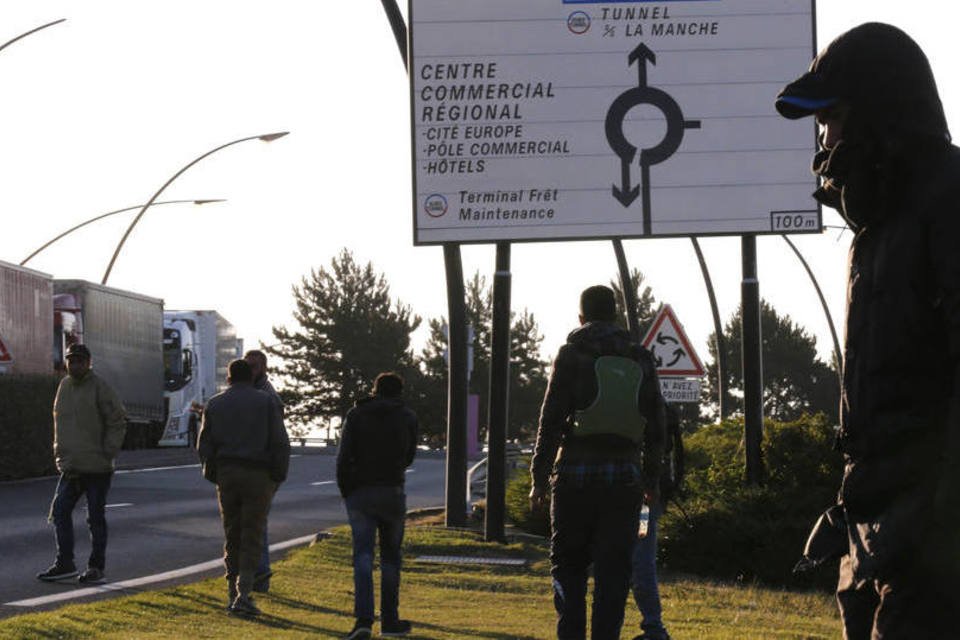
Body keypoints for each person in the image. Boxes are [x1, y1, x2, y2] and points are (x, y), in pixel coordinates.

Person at [776, 22, 960, 638]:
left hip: (932, 536)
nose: (823, 138)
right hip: (874, 525)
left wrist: (939, 517)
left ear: (878, 114)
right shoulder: (874, 229)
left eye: (832, 116)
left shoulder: (947, 200)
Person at [530, 285, 666, 640]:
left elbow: (551, 420)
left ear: (581, 317)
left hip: (573, 478)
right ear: (616, 315)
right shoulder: (640, 358)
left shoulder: (571, 354)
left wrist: (539, 478)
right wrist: (650, 481)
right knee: (614, 571)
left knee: (568, 565)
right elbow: (656, 425)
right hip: (625, 481)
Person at [197, 358, 290, 617]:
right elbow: (280, 442)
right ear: (251, 377)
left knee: (232, 532)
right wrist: (277, 476)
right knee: (252, 533)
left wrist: (214, 473)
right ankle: (244, 592)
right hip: (259, 474)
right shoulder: (267, 402)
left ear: (228, 378)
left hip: (227, 472)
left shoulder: (215, 404)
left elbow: (204, 445)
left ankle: (230, 588)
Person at [337, 372, 418, 640]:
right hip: (392, 491)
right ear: (399, 392)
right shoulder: (407, 416)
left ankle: (363, 620)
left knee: (362, 556)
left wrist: (347, 490)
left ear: (374, 389)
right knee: (391, 558)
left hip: (361, 492)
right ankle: (390, 621)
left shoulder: (357, 415)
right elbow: (409, 456)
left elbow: (344, 456)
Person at [37, 343, 127, 585]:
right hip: (71, 465)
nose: (74, 364)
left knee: (95, 517)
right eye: (71, 360)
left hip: (97, 466)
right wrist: (60, 453)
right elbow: (60, 424)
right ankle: (65, 562)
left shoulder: (100, 387)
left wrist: (107, 452)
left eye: (79, 360)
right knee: (59, 513)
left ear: (88, 362)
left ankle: (96, 567)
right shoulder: (64, 386)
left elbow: (117, 421)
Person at [629, 404, 679, 640]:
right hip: (647, 502)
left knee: (639, 562)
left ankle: (654, 627)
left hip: (642, 503)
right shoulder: (658, 411)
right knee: (640, 561)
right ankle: (653, 626)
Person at [244, 349, 283, 594]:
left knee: (258, 523)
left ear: (264, 368)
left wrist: (275, 473)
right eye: (248, 366)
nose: (251, 371)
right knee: (247, 524)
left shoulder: (269, 398)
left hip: (261, 470)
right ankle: (252, 575)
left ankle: (260, 575)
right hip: (246, 467)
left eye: (255, 366)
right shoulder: (244, 393)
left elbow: (279, 440)